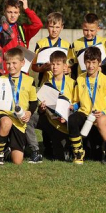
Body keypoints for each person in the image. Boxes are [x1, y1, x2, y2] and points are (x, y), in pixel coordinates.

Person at [28, 12, 70, 163]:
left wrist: (68, 70)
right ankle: (46, 146)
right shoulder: (41, 43)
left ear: (62, 27)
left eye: (57, 27)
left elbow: (70, 67)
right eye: (51, 26)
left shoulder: (66, 45)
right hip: (46, 87)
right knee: (45, 114)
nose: (54, 30)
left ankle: (64, 145)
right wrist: (44, 68)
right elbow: (34, 66)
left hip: (62, 88)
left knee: (59, 116)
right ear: (47, 26)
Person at [0, 48, 38, 165]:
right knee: (6, 123)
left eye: (14, 63)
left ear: (22, 63)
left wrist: (29, 113)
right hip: (4, 115)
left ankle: (7, 148)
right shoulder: (1, 80)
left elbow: (33, 102)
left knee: (17, 161)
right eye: (8, 63)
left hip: (19, 120)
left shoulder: (29, 80)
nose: (11, 66)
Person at [69, 46, 106, 164]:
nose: (90, 66)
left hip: (99, 118)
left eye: (94, 62)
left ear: (99, 63)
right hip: (84, 114)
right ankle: (78, 152)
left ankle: (104, 150)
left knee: (95, 156)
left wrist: (104, 113)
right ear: (84, 62)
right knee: (73, 119)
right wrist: (73, 106)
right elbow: (76, 101)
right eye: (88, 62)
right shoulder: (79, 79)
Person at [37, 50, 76, 162]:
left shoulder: (72, 83)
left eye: (58, 64)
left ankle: (68, 146)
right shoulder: (46, 83)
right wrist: (41, 108)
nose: (54, 67)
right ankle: (35, 150)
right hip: (50, 121)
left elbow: (75, 105)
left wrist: (68, 116)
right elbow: (41, 108)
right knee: (30, 120)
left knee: (61, 157)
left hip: (65, 122)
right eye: (52, 64)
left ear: (64, 66)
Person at [69, 13, 106, 79]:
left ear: (98, 29)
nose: (89, 33)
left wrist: (102, 70)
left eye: (92, 30)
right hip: (82, 82)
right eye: (86, 30)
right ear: (82, 27)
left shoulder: (104, 42)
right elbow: (73, 67)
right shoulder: (76, 44)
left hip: (100, 82)